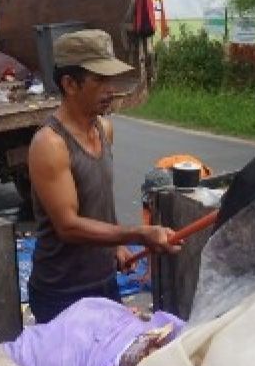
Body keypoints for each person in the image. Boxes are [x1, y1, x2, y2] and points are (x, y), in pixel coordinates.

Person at [27, 29, 182, 323]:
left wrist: (117, 245)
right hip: (61, 292)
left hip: (104, 283)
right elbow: (68, 227)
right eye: (99, 80)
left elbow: (100, 199)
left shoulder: (103, 128)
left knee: (111, 365)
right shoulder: (50, 144)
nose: (110, 89)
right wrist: (138, 234)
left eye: (110, 79)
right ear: (70, 84)